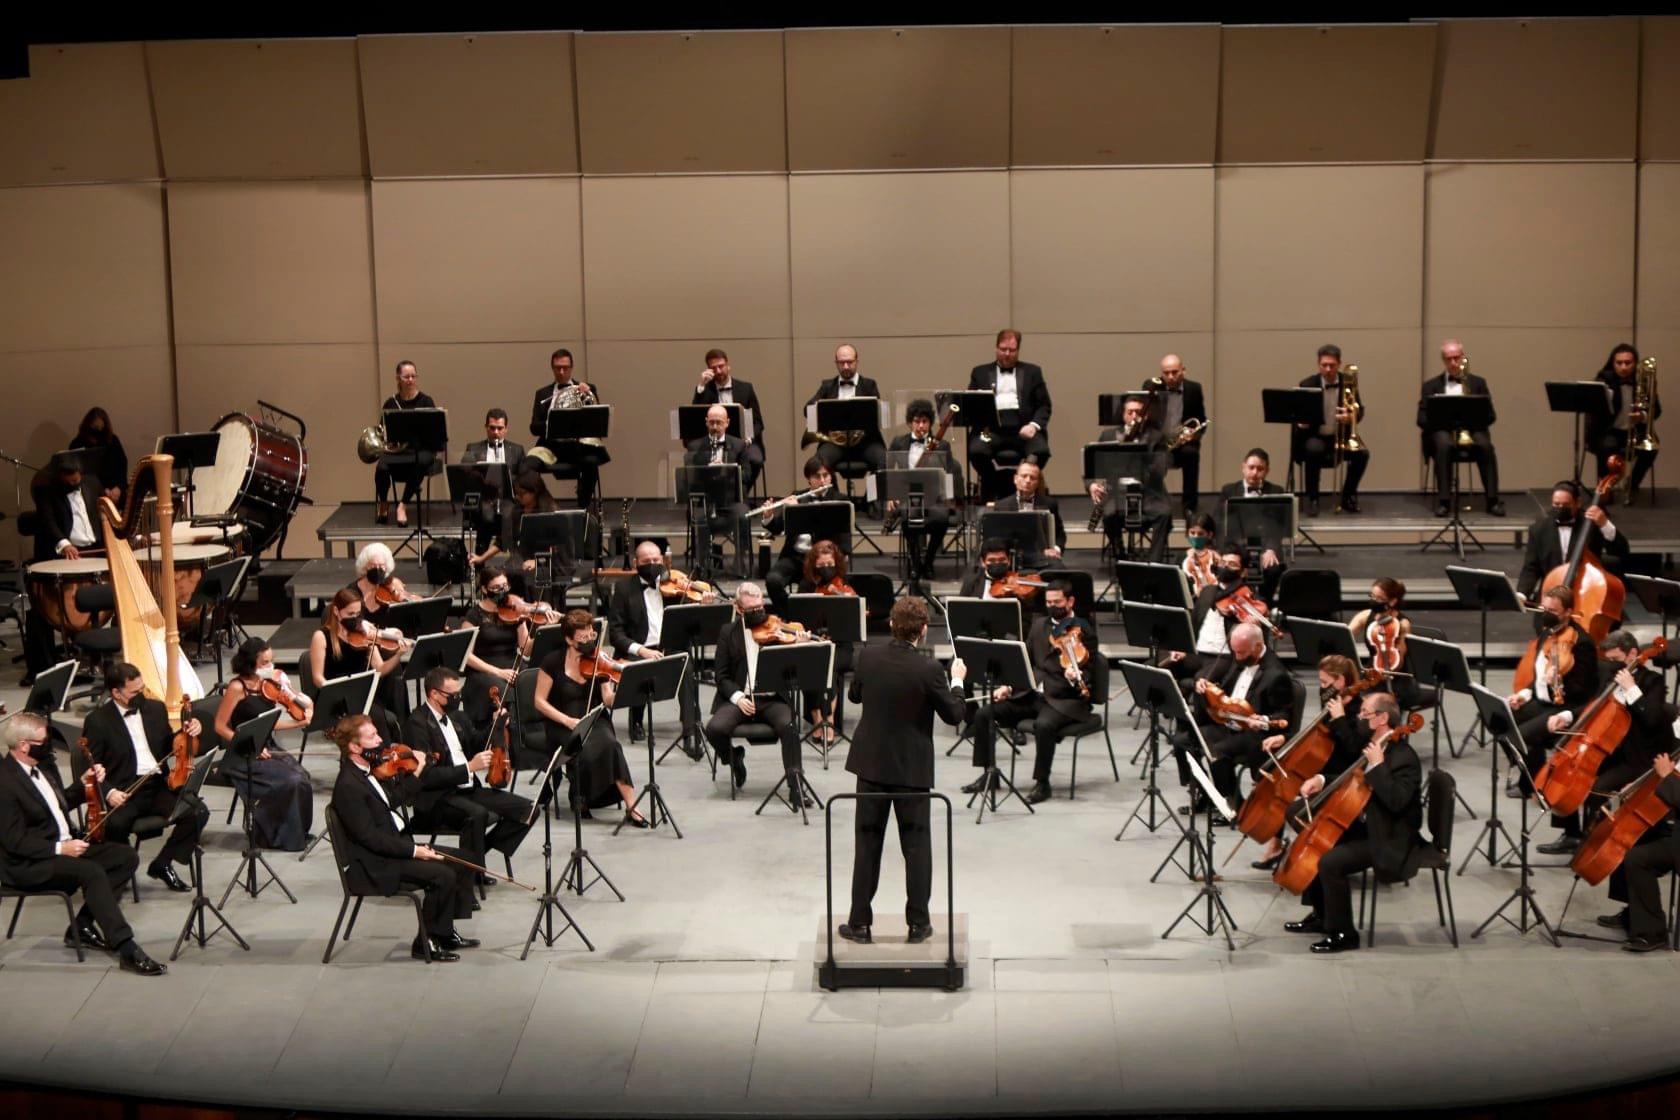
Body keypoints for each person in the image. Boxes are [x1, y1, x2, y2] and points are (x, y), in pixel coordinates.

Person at [840, 597, 967, 944]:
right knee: (916, 848)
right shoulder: (929, 670)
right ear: (923, 630)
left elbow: (854, 697)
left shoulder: (869, 657)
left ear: (892, 625)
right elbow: (955, 715)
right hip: (911, 771)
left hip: (871, 765)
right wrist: (957, 681)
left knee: (867, 845)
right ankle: (918, 924)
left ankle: (860, 924)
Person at [0, 711, 166, 974]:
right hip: (30, 863)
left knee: (124, 857)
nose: (49, 747)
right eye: (44, 742)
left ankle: (82, 926)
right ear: (23, 746)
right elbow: (13, 842)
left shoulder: (41, 767)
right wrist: (60, 848)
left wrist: (85, 784)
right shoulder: (5, 783)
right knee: (92, 872)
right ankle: (126, 948)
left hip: (62, 847)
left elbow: (58, 805)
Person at [328, 714, 480, 962]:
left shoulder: (368, 771)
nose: (380, 741)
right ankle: (424, 943)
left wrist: (418, 769)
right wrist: (414, 851)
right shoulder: (348, 786)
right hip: (375, 864)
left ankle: (444, 932)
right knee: (443, 875)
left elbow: (393, 799)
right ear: (355, 747)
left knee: (462, 859)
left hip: (393, 847)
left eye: (377, 734)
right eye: (372, 737)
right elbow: (370, 838)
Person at [1282, 692, 1423, 954]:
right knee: (1305, 819)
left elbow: (1397, 802)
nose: (1358, 717)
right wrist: (1321, 780)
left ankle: (1344, 932)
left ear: (1382, 718)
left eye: (1364, 713)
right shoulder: (1372, 745)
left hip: (1388, 836)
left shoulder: (1403, 757)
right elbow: (1353, 779)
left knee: (1330, 860)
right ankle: (1321, 915)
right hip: (1365, 823)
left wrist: (1379, 767)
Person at [79, 662, 210, 891]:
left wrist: (187, 733)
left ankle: (163, 863)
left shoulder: (155, 709)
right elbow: (91, 766)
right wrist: (109, 792)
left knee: (197, 812)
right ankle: (117, 875)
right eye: (135, 692)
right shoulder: (97, 721)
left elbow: (168, 745)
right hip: (125, 789)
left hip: (158, 783)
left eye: (142, 688)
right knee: (115, 824)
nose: (142, 695)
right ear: (116, 693)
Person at [966, 582, 1098, 805]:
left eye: (1057, 602)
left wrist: (1077, 678)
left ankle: (1042, 783)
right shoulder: (1039, 626)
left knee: (1044, 726)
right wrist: (1009, 686)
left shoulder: (1084, 630)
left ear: (1070, 601)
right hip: (1032, 695)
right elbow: (1024, 661)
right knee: (984, 714)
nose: (1052, 606)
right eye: (1048, 602)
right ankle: (989, 774)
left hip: (1065, 700)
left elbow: (1091, 671)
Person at [403, 667, 534, 875]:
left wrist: (495, 724)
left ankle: (474, 858)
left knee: (528, 810)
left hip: (468, 790)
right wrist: (469, 768)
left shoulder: (458, 716)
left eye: (458, 693)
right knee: (477, 815)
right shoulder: (416, 725)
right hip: (438, 798)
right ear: (434, 694)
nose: (457, 698)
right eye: (452, 695)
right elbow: (427, 776)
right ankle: (470, 873)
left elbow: (475, 743)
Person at [1247, 655, 1367, 871]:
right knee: (1277, 774)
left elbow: (1354, 750)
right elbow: (1318, 732)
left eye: (1324, 682)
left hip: (1340, 770)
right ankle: (1276, 843)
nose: (1321, 688)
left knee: (1292, 791)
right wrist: (1284, 738)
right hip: (1323, 759)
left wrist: (1339, 718)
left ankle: (1303, 848)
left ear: (1340, 681)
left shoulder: (1360, 709)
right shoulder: (1331, 698)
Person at [532, 610, 648, 827]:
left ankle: (633, 806)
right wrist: (567, 720)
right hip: (562, 722)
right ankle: (580, 796)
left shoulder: (599, 659)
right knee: (580, 750)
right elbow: (539, 701)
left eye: (591, 636)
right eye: (583, 638)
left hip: (594, 718)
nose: (589, 641)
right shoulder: (552, 662)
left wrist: (622, 687)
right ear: (569, 639)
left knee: (612, 745)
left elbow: (607, 699)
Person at [1172, 622, 1294, 811]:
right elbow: (1222, 686)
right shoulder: (1241, 658)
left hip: (1252, 734)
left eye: (1241, 653)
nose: (1237, 657)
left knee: (1216, 753)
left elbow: (1284, 716)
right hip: (1228, 723)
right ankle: (1206, 795)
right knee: (1181, 742)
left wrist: (1262, 721)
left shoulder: (1276, 674)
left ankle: (1234, 806)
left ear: (1259, 647)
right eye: (1235, 651)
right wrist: (1205, 685)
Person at [704, 583, 809, 798]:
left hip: (772, 699)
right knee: (714, 729)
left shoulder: (777, 629)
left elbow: (794, 670)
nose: (759, 612)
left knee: (789, 727)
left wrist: (799, 646)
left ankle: (795, 785)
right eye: (752, 610)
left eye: (761, 606)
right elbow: (721, 676)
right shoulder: (728, 632)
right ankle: (734, 759)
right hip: (741, 699)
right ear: (739, 609)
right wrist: (738, 697)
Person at [214, 638, 317, 851]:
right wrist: (248, 745)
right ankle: (274, 835)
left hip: (267, 745)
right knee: (291, 780)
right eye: (264, 663)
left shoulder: (269, 684)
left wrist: (298, 719)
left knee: (303, 778)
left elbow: (271, 721)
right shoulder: (236, 687)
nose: (270, 667)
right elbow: (220, 726)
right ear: (250, 663)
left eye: (271, 661)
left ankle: (299, 832)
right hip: (244, 752)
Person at [1506, 586, 1600, 811]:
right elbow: (1538, 675)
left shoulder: (1582, 643)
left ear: (1568, 612)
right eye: (1544, 608)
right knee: (1498, 718)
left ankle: (1535, 784)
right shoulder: (1546, 631)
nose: (1546, 614)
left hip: (1562, 706)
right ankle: (1531, 781)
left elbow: (1585, 690)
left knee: (1523, 736)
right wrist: (1524, 694)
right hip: (1540, 701)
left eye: (1553, 610)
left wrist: (1559, 680)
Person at [608, 541, 701, 754]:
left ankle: (690, 732)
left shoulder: (676, 585)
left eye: (656, 560)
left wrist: (699, 601)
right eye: (646, 561)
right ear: (635, 563)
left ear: (664, 560)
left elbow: (690, 620)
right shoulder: (624, 589)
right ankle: (637, 720)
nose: (652, 564)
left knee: (686, 667)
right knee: (642, 667)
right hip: (641, 648)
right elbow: (615, 633)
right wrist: (641, 650)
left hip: (670, 645)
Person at [24, 452, 104, 682]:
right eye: (69, 482)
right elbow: (48, 521)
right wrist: (64, 543)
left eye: (77, 480)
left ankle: (98, 653)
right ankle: (47, 668)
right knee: (43, 612)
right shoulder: (45, 490)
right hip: (61, 554)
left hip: (93, 550)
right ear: (60, 478)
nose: (75, 484)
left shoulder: (92, 482)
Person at [1419, 339, 1505, 517]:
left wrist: (1474, 419)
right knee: (1444, 445)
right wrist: (1438, 423)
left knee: (1486, 446)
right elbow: (1421, 418)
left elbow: (1491, 415)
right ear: (1443, 360)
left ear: (1463, 357)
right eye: (1448, 359)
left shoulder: (1478, 383)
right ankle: (1444, 501)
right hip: (1442, 430)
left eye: (1456, 358)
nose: (1453, 363)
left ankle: (1492, 500)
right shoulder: (1430, 386)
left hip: (1472, 430)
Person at [307, 589, 404, 744]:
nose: (355, 618)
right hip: (335, 701)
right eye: (350, 614)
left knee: (377, 715)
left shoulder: (364, 633)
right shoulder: (321, 636)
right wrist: (335, 690)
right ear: (337, 611)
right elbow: (318, 678)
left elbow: (380, 668)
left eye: (358, 614)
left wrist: (399, 655)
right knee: (374, 717)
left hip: (360, 697)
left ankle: (383, 759)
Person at [967, 329, 1052, 500]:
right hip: (989, 431)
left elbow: (1044, 405)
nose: (1007, 354)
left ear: (1018, 350)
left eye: (1011, 350)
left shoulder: (1033, 372)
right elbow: (971, 404)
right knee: (977, 450)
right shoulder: (980, 372)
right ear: (996, 348)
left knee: (1041, 451)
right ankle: (994, 484)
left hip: (1024, 429)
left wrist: (1033, 425)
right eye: (1003, 349)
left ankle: (1025, 486)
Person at [1087, 394, 1171, 562]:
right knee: (1109, 515)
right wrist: (1092, 485)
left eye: (1138, 412)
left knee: (1164, 514)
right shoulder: (1108, 436)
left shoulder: (1156, 437)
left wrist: (1144, 456)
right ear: (1124, 414)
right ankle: (1121, 557)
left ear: (1145, 415)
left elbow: (1161, 471)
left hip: (1148, 493)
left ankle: (1155, 563)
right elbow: (1094, 467)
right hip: (1117, 493)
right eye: (1130, 412)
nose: (1134, 416)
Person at [1517, 480, 1631, 604]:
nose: (1560, 508)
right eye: (1556, 504)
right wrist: (1522, 593)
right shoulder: (1539, 529)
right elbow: (1531, 567)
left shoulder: (1590, 525)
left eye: (1566, 505)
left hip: (1586, 595)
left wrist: (1605, 524)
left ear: (1578, 503)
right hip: (1551, 600)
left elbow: (1621, 551)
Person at [884, 397, 958, 582]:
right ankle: (916, 564)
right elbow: (886, 470)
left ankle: (929, 561)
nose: (921, 426)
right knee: (908, 519)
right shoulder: (898, 443)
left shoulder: (942, 445)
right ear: (910, 423)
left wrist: (948, 498)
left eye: (924, 421)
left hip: (934, 498)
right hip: (908, 498)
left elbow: (948, 474)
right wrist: (890, 496)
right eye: (917, 421)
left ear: (930, 423)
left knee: (941, 519)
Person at [526, 347, 610, 510]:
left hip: (578, 446)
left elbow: (597, 419)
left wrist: (589, 393)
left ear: (572, 368)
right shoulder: (542, 394)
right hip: (551, 446)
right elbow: (534, 427)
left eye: (565, 367)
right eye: (558, 368)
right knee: (527, 466)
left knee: (591, 462)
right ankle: (545, 503)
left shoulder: (585, 389)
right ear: (552, 368)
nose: (562, 371)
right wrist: (554, 422)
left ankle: (583, 506)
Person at [1291, 344, 1368, 516]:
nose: (1327, 369)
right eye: (1324, 365)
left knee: (1362, 454)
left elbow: (1359, 410)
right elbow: (1298, 415)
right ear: (1318, 365)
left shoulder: (1348, 382)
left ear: (1339, 364)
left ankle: (1348, 496)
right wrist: (1301, 423)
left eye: (1332, 365)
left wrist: (1351, 416)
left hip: (1340, 435)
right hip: (1315, 435)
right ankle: (1313, 498)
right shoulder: (1307, 384)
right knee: (1313, 449)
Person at [459, 565, 535, 736]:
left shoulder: (513, 608)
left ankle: (527, 741)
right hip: (484, 669)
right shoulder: (474, 615)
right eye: (496, 588)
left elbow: (525, 649)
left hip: (512, 663)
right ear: (485, 589)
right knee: (503, 689)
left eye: (505, 586)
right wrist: (499, 672)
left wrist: (531, 625)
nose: (502, 591)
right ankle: (506, 741)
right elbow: (466, 655)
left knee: (535, 680)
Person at [1587, 342, 1661, 502]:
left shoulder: (1643, 382)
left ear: (1635, 364)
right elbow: (1593, 413)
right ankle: (1605, 488)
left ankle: (1632, 484)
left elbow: (1657, 410)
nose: (1623, 367)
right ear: (1612, 363)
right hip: (1611, 431)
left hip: (1635, 430)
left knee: (1650, 449)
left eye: (1628, 363)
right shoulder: (1603, 381)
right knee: (1607, 447)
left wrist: (1641, 415)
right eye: (1619, 363)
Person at [1216, 447, 1288, 603]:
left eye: (1260, 469)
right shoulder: (1229, 490)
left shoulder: (1276, 490)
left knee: (1273, 568)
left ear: (1267, 471)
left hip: (1264, 548)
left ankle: (1264, 604)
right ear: (1243, 468)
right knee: (1229, 567)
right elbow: (1222, 523)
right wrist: (1230, 553)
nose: (1255, 473)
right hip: (1236, 547)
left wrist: (1271, 549)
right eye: (1251, 468)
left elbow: (1277, 527)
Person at [683, 404, 754, 562]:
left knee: (743, 516)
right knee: (698, 516)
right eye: (712, 422)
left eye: (719, 422)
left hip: (731, 500)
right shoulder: (695, 447)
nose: (715, 427)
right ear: (706, 422)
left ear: (727, 423)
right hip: (705, 500)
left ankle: (740, 560)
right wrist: (707, 472)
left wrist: (727, 470)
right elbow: (690, 479)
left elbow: (747, 475)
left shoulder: (739, 445)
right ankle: (702, 565)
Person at [764, 458, 835, 611]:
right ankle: (789, 615)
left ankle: (798, 619)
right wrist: (768, 516)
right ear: (809, 479)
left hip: (820, 560)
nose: (822, 481)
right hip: (793, 556)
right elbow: (777, 528)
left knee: (804, 589)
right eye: (817, 476)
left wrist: (798, 512)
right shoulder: (798, 496)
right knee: (772, 580)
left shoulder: (838, 500)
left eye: (826, 475)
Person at [805, 343, 886, 477]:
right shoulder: (827, 386)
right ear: (836, 363)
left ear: (857, 362)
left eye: (849, 362)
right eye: (841, 363)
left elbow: (877, 414)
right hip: (835, 444)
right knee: (819, 462)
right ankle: (833, 496)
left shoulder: (869, 385)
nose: (846, 366)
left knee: (884, 461)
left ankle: (871, 498)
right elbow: (807, 409)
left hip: (865, 442)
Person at [374, 360, 438, 527]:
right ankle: (383, 503)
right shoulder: (390, 403)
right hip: (400, 452)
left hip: (422, 450)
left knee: (422, 461)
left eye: (413, 376)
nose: (410, 380)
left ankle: (402, 505)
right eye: (406, 376)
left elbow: (435, 433)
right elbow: (383, 432)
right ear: (398, 379)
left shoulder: (426, 402)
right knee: (381, 467)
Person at [693, 348, 765, 494]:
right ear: (709, 370)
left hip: (744, 441)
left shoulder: (746, 388)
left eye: (721, 366)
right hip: (716, 439)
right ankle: (711, 496)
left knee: (756, 460)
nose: (719, 371)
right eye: (714, 368)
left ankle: (740, 494)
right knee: (693, 454)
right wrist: (701, 386)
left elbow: (758, 422)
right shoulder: (705, 391)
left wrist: (750, 439)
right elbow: (695, 417)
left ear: (728, 366)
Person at [1143, 354, 1207, 514]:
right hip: (1158, 442)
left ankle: (1189, 506)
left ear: (1183, 371)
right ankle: (1152, 501)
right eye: (1166, 373)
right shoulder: (1151, 386)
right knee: (1150, 456)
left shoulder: (1194, 389)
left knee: (1192, 454)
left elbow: (1201, 420)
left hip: (1182, 443)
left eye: (1174, 372)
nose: (1170, 377)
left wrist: (1194, 435)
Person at [461, 408, 525, 567]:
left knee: (509, 513)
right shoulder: (473, 448)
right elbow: (464, 473)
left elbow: (525, 476)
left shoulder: (517, 450)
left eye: (500, 428)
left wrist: (508, 479)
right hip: (485, 498)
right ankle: (479, 562)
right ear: (486, 427)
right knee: (486, 515)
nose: (496, 432)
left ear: (506, 429)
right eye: (492, 428)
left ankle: (514, 561)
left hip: (508, 498)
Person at [991, 460, 1065, 567]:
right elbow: (996, 536)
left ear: (1038, 482)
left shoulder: (1050, 503)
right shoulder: (1001, 505)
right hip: (1011, 557)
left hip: (1042, 556)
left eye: (1033, 478)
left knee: (1060, 573)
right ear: (1015, 479)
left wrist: (1055, 549)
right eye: (1024, 476)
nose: (1028, 480)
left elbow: (1060, 534)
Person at [69, 406, 128, 506]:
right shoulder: (76, 445)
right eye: (93, 430)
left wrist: (119, 488)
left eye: (100, 431)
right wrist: (102, 491)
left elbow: (122, 469)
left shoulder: (113, 441)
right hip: (89, 496)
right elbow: (78, 477)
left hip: (115, 492)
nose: (96, 437)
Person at [1181, 513, 1220, 597]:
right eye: (1192, 533)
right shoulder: (1182, 558)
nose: (1196, 537)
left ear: (1210, 535)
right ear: (1187, 533)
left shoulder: (1215, 557)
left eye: (1200, 534)